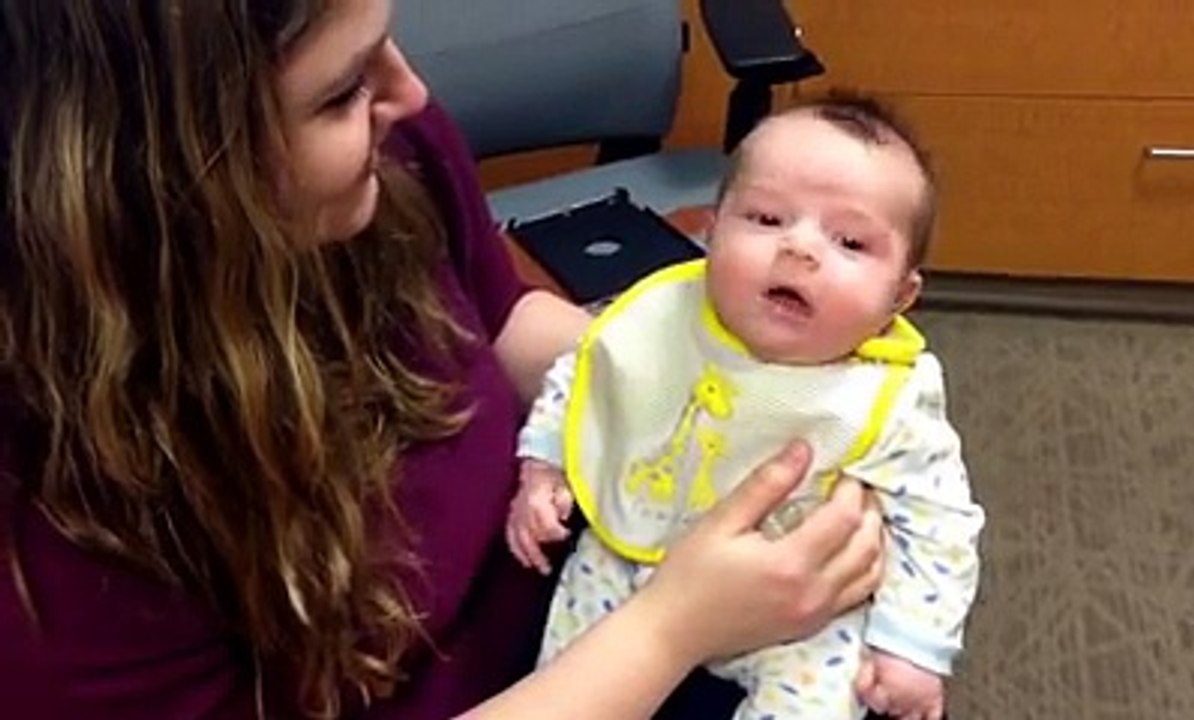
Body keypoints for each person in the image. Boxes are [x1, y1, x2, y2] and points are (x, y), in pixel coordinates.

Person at [0, 1, 893, 719]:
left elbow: (497, 324)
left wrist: (725, 388)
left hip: (564, 599)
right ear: (155, 179)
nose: (413, 95)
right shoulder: (55, 530)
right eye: (340, 92)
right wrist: (669, 634)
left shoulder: (390, 166)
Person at [506, 99, 986, 720]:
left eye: (849, 241)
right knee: (567, 669)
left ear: (901, 295)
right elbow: (586, 377)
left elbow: (939, 522)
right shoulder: (663, 314)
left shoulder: (891, 397)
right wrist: (542, 466)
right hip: (631, 552)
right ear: (711, 231)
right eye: (765, 217)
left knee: (823, 699)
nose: (800, 249)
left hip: (801, 612)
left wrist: (914, 648)